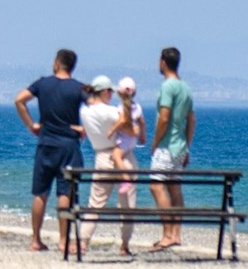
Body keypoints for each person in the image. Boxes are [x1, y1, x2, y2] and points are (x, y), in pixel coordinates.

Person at [14, 48, 87, 253]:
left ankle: (36, 240)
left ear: (56, 63)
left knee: (40, 193)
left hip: (46, 144)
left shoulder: (42, 83)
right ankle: (63, 241)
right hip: (69, 146)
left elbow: (19, 100)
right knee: (65, 193)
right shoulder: (79, 88)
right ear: (72, 66)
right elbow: (97, 108)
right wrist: (85, 129)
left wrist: (31, 125)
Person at [78, 75, 137, 256]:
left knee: (95, 203)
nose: (111, 94)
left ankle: (83, 242)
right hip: (122, 155)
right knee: (127, 205)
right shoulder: (109, 111)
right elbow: (129, 128)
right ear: (105, 92)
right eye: (110, 91)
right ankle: (124, 245)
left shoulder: (84, 111)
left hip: (101, 156)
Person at [148, 47, 196, 252]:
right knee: (175, 189)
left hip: (166, 146)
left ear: (163, 62)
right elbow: (191, 120)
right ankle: (176, 234)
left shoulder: (168, 87)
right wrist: (187, 146)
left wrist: (155, 141)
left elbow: (164, 117)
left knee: (156, 186)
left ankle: (168, 234)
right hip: (180, 147)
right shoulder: (186, 88)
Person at [110, 76, 145, 195]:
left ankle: (125, 179)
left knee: (116, 156)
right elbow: (142, 123)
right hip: (132, 141)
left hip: (124, 140)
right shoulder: (138, 107)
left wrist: (112, 130)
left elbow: (122, 121)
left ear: (119, 94)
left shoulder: (121, 108)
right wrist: (143, 136)